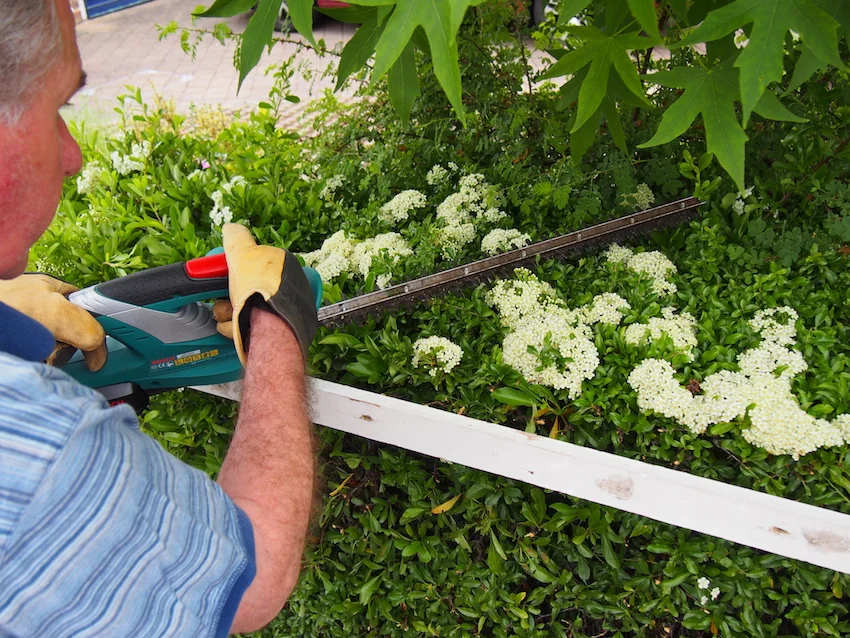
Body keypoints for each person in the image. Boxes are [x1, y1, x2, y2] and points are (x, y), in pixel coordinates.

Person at [0, 1, 319, 635]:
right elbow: (250, 576)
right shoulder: (34, 456)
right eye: (58, 110)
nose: (74, 157)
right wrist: (278, 326)